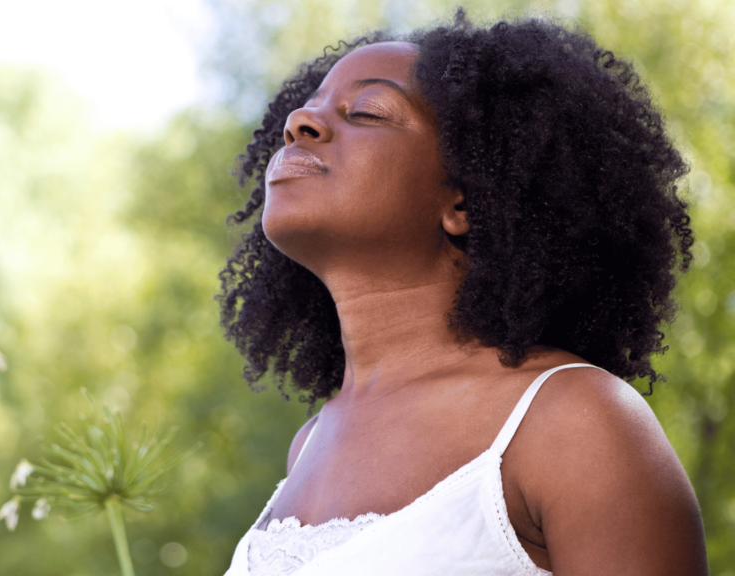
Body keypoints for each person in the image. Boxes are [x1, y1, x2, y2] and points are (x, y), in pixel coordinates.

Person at [218, 11, 708, 575]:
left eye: (367, 112)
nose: (299, 122)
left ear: (463, 202)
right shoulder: (309, 445)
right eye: (306, 108)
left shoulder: (573, 421)